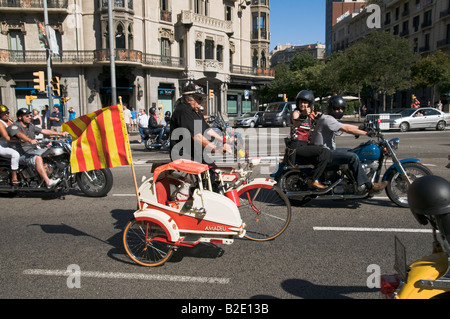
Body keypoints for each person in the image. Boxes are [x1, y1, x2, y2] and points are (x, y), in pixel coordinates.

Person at [310, 95, 387, 195]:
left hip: (326, 151)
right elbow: (346, 128)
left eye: (342, 108)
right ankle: (369, 186)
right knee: (353, 157)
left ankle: (353, 179)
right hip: (323, 154)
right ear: (330, 108)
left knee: (352, 151)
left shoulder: (329, 118)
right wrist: (366, 133)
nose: (340, 111)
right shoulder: (327, 119)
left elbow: (346, 126)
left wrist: (362, 128)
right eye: (336, 108)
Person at [170, 83, 231, 165]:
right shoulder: (183, 111)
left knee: (214, 171)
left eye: (202, 98)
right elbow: (197, 136)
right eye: (199, 98)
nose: (201, 100)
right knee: (211, 173)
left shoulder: (196, 112)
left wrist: (223, 139)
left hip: (195, 153)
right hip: (183, 154)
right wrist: (216, 149)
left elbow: (207, 130)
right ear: (188, 99)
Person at [7, 108, 67, 188]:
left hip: (33, 150)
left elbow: (43, 131)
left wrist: (60, 133)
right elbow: (19, 135)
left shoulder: (30, 126)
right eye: (27, 116)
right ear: (20, 117)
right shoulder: (14, 126)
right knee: (37, 158)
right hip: (22, 154)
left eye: (30, 115)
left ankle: (54, 175)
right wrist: (29, 140)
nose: (30, 117)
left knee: (51, 152)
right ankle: (48, 182)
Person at [287, 90, 330, 189]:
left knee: (323, 150)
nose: (303, 104)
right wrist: (303, 115)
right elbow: (296, 123)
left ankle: (324, 180)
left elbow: (319, 123)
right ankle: (312, 180)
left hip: (305, 145)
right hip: (296, 146)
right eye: (301, 102)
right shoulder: (296, 113)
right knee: (324, 152)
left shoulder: (310, 116)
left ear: (310, 104)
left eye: (305, 102)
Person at [0, 105, 20, 185]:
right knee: (15, 154)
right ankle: (14, 176)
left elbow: (17, 130)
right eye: (3, 113)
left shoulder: (10, 120)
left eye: (7, 113)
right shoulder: (0, 123)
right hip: (2, 146)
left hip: (11, 144)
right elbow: (7, 138)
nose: (6, 115)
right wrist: (19, 140)